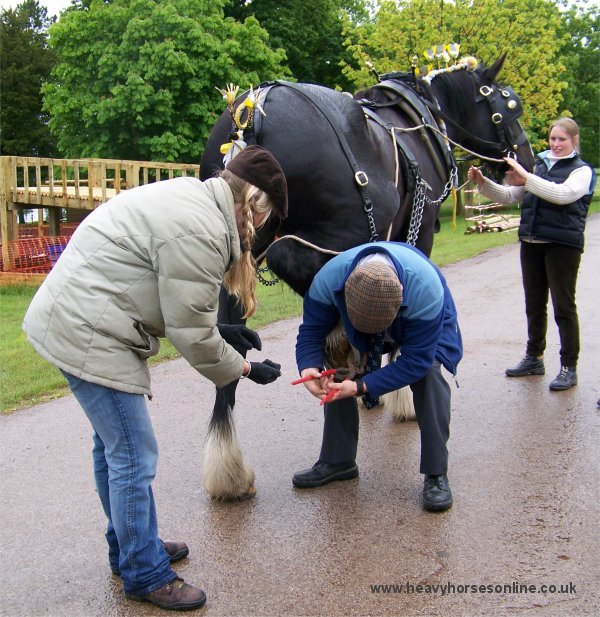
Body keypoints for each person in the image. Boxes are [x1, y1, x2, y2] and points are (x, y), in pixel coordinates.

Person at [22, 145, 287, 611]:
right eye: (267, 219)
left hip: (78, 317)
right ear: (255, 206)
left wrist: (219, 328)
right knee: (133, 453)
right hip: (90, 330)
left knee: (114, 449)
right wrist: (245, 368)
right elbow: (192, 335)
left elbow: (164, 293)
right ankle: (144, 572)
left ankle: (129, 548)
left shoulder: (195, 198)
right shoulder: (203, 230)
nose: (263, 229)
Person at [293, 241, 463, 512]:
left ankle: (436, 473)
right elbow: (312, 331)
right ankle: (339, 460)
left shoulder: (426, 291)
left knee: (429, 373)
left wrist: (362, 386)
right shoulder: (326, 282)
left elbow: (415, 361)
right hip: (356, 318)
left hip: (419, 322)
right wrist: (308, 366)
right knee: (333, 355)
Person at [468, 117, 596, 391]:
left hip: (562, 245)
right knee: (534, 304)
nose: (556, 144)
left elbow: (563, 195)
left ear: (574, 140)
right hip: (531, 242)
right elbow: (510, 195)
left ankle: (568, 366)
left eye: (562, 139)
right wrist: (483, 184)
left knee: (564, 306)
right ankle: (534, 357)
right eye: (553, 139)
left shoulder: (581, 171)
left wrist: (527, 178)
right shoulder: (538, 166)